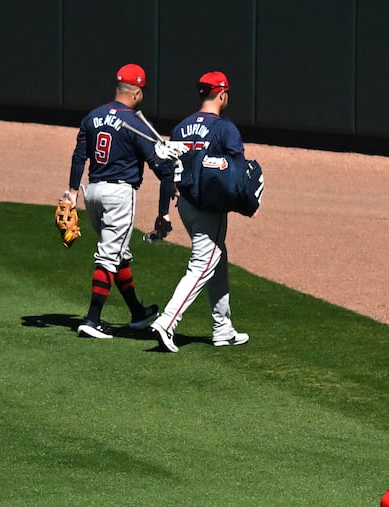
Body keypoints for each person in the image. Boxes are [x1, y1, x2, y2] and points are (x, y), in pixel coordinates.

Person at [64, 64, 180, 339]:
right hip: (119, 195)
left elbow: (79, 156)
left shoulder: (92, 117)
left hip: (92, 193)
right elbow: (158, 167)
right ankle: (92, 320)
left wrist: (71, 192)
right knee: (109, 256)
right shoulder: (134, 123)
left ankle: (137, 313)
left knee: (118, 254)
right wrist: (166, 200)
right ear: (137, 93)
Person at [150, 71, 250, 351]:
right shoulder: (224, 128)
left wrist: (165, 209)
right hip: (209, 208)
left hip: (185, 205)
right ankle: (167, 322)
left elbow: (169, 170)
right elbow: (238, 171)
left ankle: (223, 328)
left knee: (217, 258)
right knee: (202, 265)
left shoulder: (182, 127)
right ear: (222, 94)